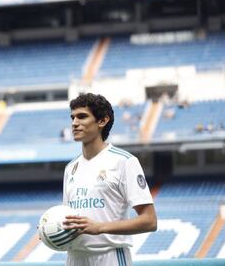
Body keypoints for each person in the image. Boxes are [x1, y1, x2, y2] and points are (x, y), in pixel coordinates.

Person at [62, 93, 157, 266]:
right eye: (73, 117)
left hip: (110, 257)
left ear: (102, 121)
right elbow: (68, 219)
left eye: (82, 116)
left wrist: (100, 228)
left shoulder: (124, 161)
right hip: (74, 258)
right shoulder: (70, 168)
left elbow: (149, 221)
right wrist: (51, 229)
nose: (74, 123)